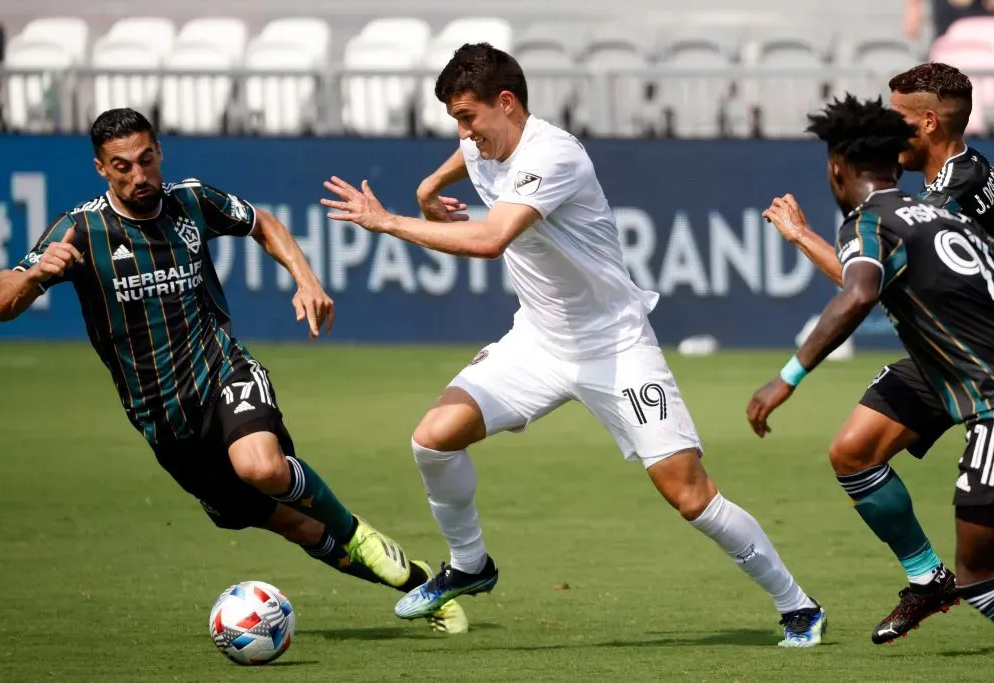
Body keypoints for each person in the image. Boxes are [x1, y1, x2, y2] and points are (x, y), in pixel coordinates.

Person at [320, 42, 826, 647]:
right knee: (432, 441)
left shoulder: (552, 154)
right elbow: (463, 158)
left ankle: (798, 606)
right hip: (536, 342)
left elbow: (489, 241)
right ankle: (470, 566)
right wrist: (429, 189)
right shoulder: (484, 140)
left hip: (615, 348)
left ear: (506, 103)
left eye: (468, 117)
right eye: (456, 119)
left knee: (688, 493)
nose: (463, 132)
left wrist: (391, 221)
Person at [0, 108, 468, 635]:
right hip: (163, 420)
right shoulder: (79, 230)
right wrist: (36, 276)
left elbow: (263, 222)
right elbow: (1, 303)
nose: (139, 175)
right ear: (102, 169)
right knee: (299, 525)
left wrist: (305, 277)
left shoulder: (191, 200)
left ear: (159, 152)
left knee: (262, 467)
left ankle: (356, 532)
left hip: (221, 371)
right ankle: (422, 587)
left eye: (146, 159)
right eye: (122, 166)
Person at [761, 62, 993, 643]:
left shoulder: (952, 190)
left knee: (983, 565)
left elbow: (866, 281)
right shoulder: (945, 184)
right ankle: (927, 578)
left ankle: (962, 580)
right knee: (854, 451)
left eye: (898, 120)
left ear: (930, 122)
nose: (889, 132)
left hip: (974, 355)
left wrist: (803, 238)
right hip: (946, 351)